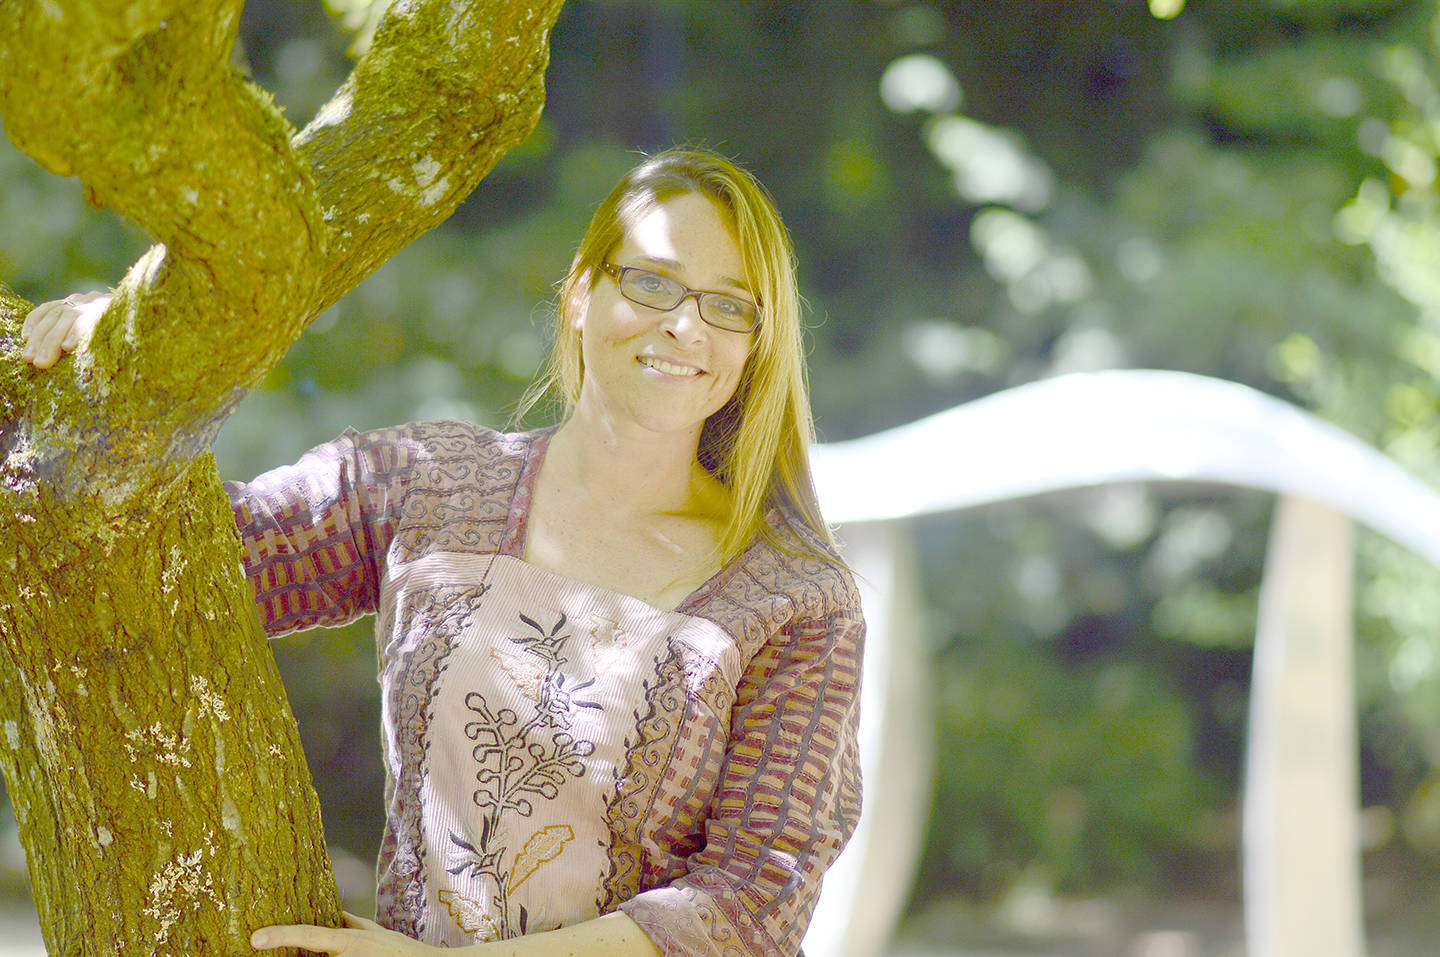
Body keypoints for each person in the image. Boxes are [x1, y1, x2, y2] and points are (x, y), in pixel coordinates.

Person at [22, 148, 864, 957]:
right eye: (651, 282)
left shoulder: (793, 596)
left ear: (756, 343)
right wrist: (133, 367)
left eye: (728, 305)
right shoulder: (427, 485)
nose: (684, 325)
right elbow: (177, 556)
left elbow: (749, 904)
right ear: (581, 293)